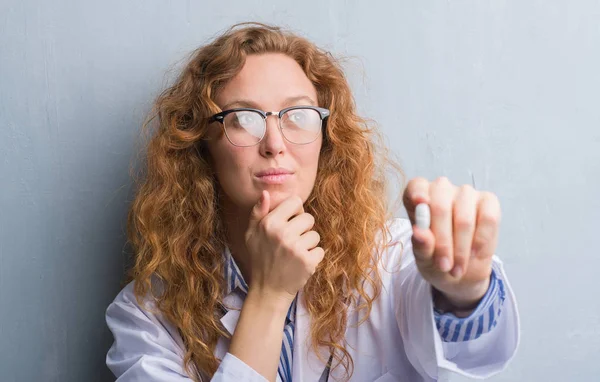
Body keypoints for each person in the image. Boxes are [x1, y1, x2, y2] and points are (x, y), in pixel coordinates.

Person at [105, 22, 520, 382]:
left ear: (326, 139)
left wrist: (463, 294)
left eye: (298, 115)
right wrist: (269, 295)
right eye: (243, 119)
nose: (274, 144)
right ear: (201, 144)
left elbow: (471, 353)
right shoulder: (147, 316)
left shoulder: (389, 258)